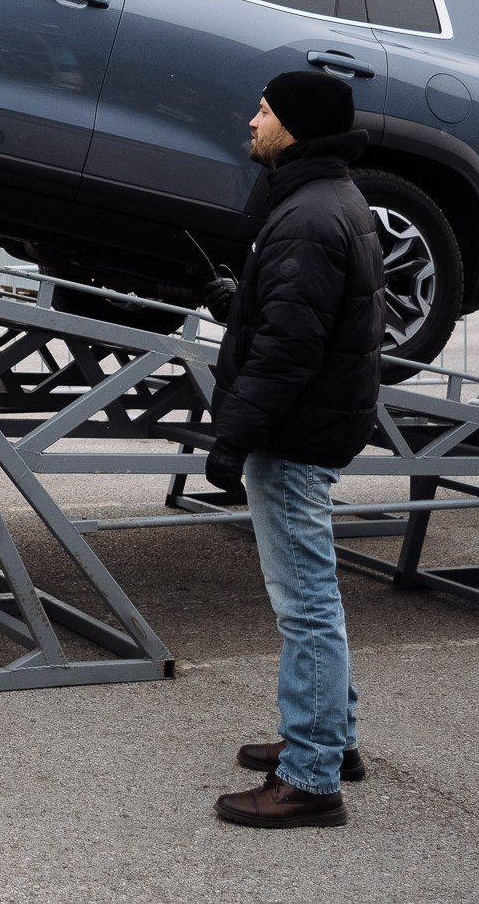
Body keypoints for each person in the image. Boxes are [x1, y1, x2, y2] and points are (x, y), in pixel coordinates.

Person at [200, 69, 384, 829]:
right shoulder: (328, 201)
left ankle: (310, 779)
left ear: (296, 127)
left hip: (293, 434)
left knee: (305, 605)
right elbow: (298, 317)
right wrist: (232, 299)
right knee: (315, 598)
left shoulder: (309, 216)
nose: (253, 119)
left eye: (266, 111)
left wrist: (231, 438)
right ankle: (330, 742)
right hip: (313, 425)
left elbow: (288, 351)